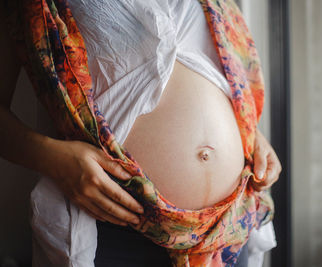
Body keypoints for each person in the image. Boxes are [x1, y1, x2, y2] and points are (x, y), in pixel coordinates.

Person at [0, 0, 281, 266]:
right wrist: (54, 159)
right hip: (115, 228)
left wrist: (254, 136)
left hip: (228, 225)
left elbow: (222, 72)